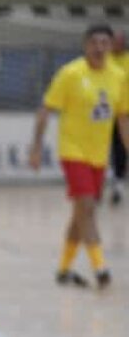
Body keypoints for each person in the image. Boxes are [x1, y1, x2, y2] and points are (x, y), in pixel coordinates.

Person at [30, 24, 129, 290]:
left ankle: (63, 270)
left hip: (99, 155)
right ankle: (101, 269)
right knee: (87, 208)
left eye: (105, 43)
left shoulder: (118, 76)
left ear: (111, 46)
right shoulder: (71, 74)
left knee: (80, 214)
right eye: (95, 42)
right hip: (73, 151)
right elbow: (45, 110)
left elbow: (123, 119)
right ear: (86, 45)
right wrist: (36, 147)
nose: (100, 48)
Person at [109, 29, 128, 205]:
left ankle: (118, 184)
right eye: (114, 40)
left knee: (121, 147)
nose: (117, 43)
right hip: (106, 113)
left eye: (120, 40)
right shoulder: (104, 60)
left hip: (125, 113)